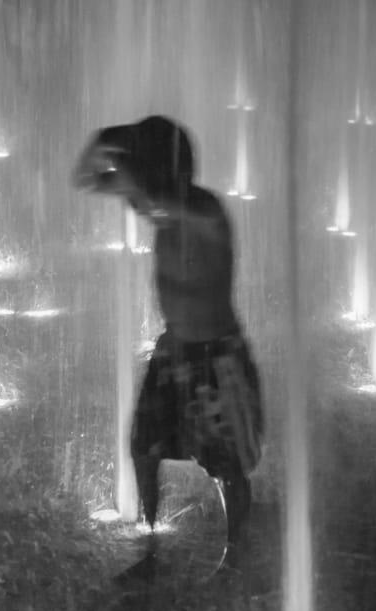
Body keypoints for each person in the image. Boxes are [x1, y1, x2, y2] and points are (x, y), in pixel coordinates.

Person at [73, 115, 263, 546]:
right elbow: (84, 177)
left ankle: (236, 554)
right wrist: (107, 138)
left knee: (226, 465)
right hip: (173, 348)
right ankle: (151, 537)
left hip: (218, 355)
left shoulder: (204, 211)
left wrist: (126, 167)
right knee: (143, 446)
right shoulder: (160, 202)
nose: (136, 206)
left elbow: (157, 201)